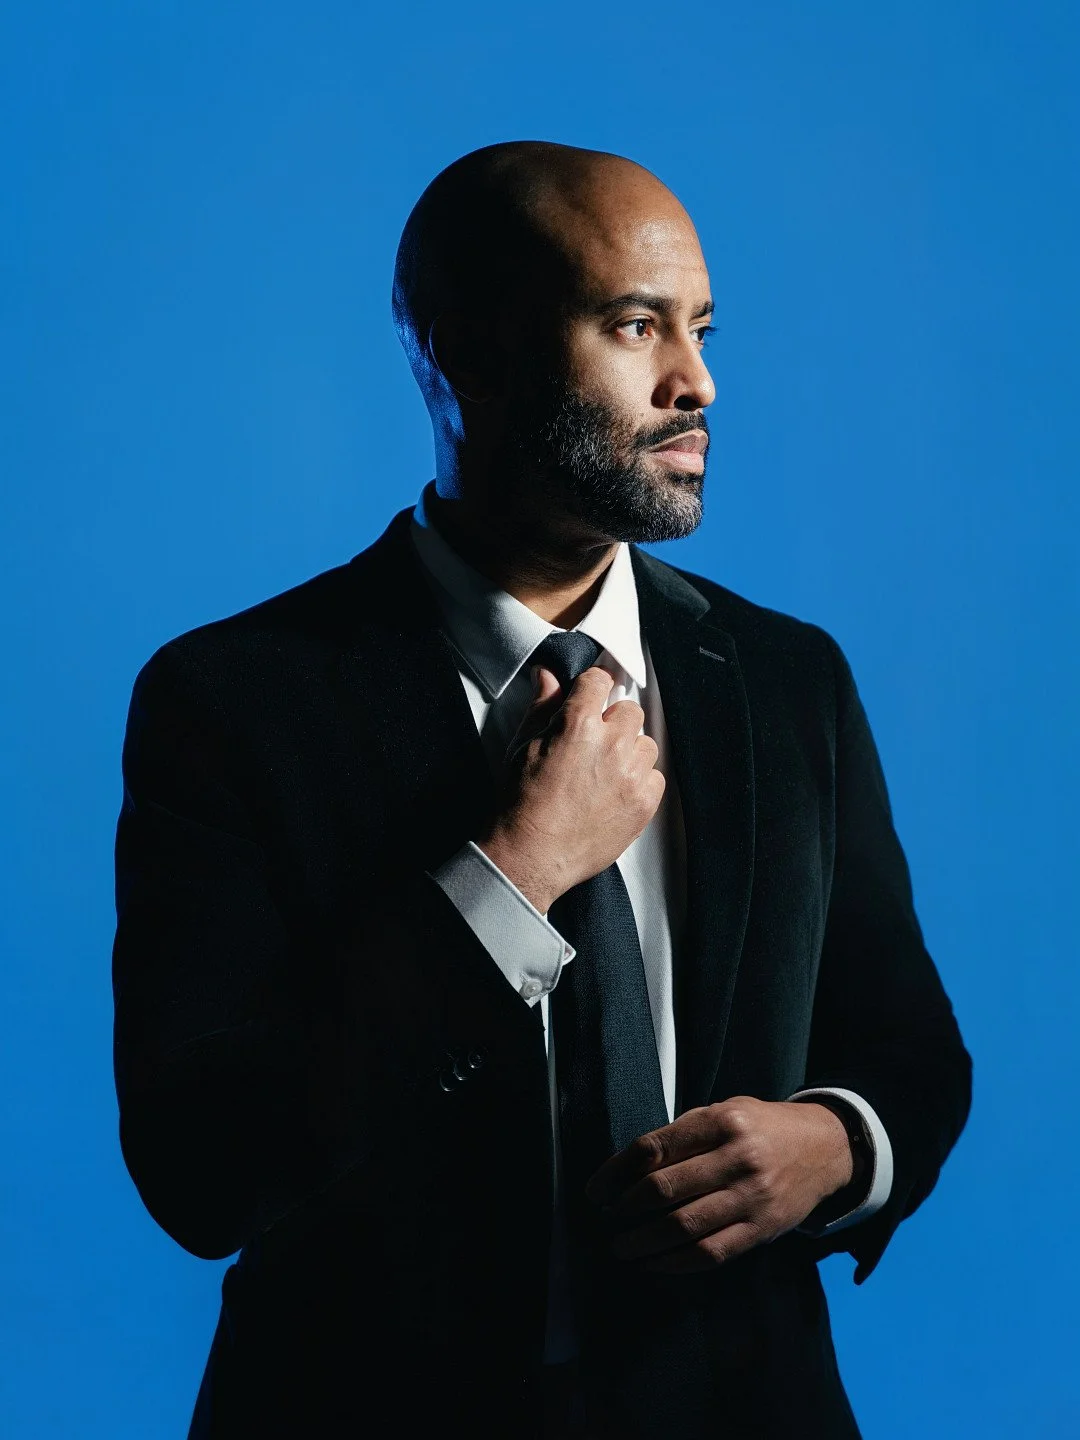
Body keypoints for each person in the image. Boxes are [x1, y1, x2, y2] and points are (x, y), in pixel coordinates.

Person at [111, 141, 972, 1439]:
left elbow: (910, 1050)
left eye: (701, 327)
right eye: (635, 325)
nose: (699, 381)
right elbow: (202, 1167)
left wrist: (842, 1146)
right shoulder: (234, 700)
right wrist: (506, 878)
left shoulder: (786, 680)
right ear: (469, 357)